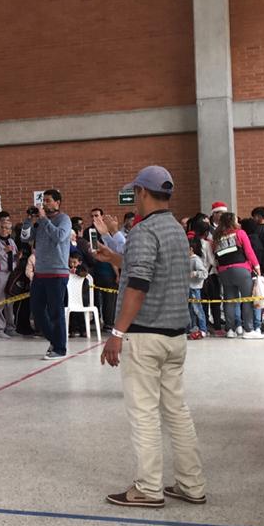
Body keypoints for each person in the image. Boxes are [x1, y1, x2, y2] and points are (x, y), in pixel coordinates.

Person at [96, 166, 206, 508]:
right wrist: (117, 258)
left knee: (144, 413)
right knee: (177, 410)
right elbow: (155, 269)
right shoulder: (175, 229)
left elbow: (139, 285)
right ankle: (192, 485)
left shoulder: (144, 231)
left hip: (145, 337)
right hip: (175, 336)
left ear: (143, 192)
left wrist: (117, 332)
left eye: (136, 194)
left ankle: (148, 488)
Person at [32, 189, 72, 360]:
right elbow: (26, 237)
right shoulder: (41, 221)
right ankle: (54, 340)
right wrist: (29, 222)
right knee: (36, 310)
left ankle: (60, 348)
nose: (45, 203)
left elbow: (59, 237)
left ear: (57, 202)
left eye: (49, 200)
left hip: (57, 273)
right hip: (40, 272)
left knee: (56, 312)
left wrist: (43, 220)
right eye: (44, 201)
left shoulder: (64, 219)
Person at [213, 212, 263, 339]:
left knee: (229, 301)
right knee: (247, 299)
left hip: (224, 272)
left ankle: (230, 329)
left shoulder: (217, 237)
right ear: (233, 221)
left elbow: (216, 256)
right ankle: (249, 329)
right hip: (241, 270)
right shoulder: (240, 233)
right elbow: (249, 251)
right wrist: (257, 267)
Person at [187, 239, 208, 340]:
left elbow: (204, 273)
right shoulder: (187, 259)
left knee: (197, 309)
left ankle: (203, 329)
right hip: (188, 288)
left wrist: (195, 273)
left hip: (194, 288)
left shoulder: (196, 260)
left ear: (191, 249)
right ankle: (193, 328)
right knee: (190, 310)